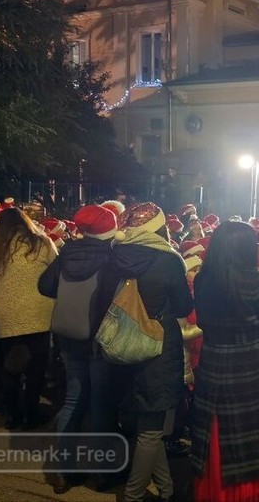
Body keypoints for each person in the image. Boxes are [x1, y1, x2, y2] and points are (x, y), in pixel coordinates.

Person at [190, 221, 259, 501]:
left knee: (216, 437)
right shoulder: (253, 280)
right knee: (251, 441)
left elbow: (203, 322)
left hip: (213, 365)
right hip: (250, 370)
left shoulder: (203, 280)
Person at [112, 203, 195, 502]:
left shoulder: (115, 255)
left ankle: (166, 488)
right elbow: (183, 306)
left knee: (150, 424)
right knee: (151, 428)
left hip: (122, 342)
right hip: (158, 345)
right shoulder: (168, 260)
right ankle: (133, 495)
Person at [37, 204, 120, 494]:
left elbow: (44, 286)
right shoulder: (112, 257)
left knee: (73, 400)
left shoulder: (67, 253)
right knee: (101, 405)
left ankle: (64, 471)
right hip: (99, 338)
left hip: (68, 336)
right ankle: (104, 473)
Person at [0, 207, 58, 430]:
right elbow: (55, 269)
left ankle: (13, 415)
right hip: (38, 311)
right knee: (37, 367)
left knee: (11, 365)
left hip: (6, 313)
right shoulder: (41, 243)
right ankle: (31, 413)